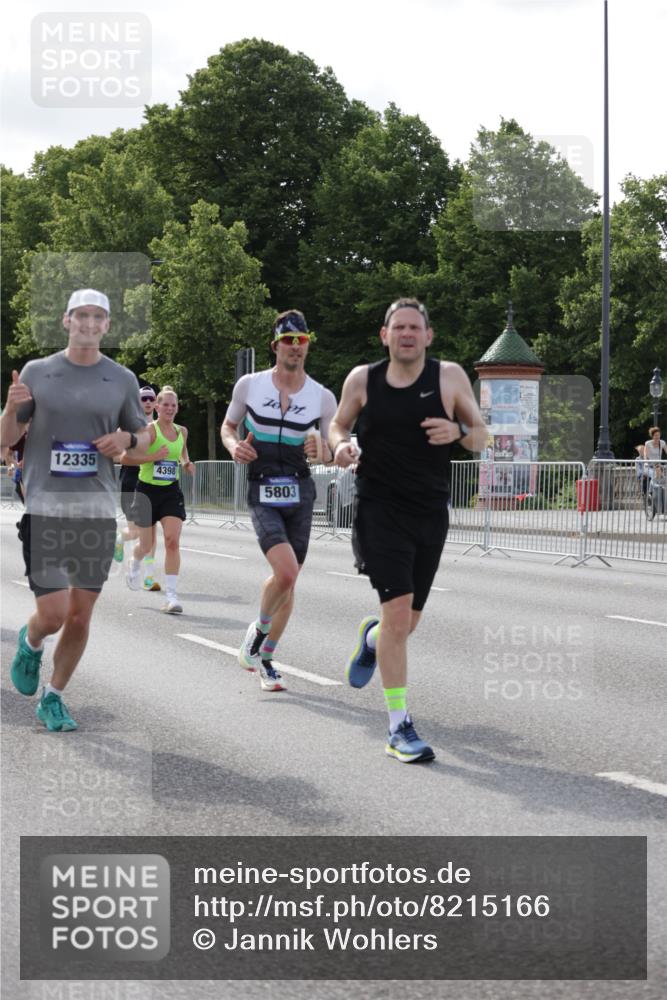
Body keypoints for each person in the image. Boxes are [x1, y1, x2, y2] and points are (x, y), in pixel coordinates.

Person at [328, 297, 487, 764]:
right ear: (385, 335)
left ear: (428, 335)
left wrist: (457, 431)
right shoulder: (363, 379)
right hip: (379, 509)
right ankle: (399, 727)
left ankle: (373, 640)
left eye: (415, 327)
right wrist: (340, 446)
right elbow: (338, 423)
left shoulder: (449, 377)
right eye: (399, 327)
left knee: (406, 624)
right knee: (398, 615)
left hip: (430, 512)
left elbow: (483, 436)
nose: (407, 334)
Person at [0, 288, 148, 732]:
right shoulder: (38, 372)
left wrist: (126, 441)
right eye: (80, 315)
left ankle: (55, 696)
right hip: (45, 508)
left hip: (96, 512)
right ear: (66, 321)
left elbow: (146, 445)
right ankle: (31, 643)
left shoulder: (121, 378)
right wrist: (9, 408)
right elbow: (6, 439)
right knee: (54, 614)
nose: (88, 323)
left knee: (81, 615)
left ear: (106, 325)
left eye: (97, 316)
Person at [221, 309, 337, 692]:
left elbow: (332, 449)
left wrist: (322, 448)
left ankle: (266, 657)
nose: (296, 347)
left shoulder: (321, 396)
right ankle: (258, 631)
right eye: (289, 341)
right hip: (263, 486)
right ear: (275, 346)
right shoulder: (249, 385)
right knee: (285, 572)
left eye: (302, 341)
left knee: (288, 583)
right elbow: (228, 426)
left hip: (301, 490)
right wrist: (234, 446)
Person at [125, 385, 194, 613]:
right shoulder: (149, 431)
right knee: (145, 545)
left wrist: (185, 463)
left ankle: (172, 596)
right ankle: (134, 564)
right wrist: (153, 456)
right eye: (165, 404)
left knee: (172, 541)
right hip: (146, 491)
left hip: (170, 492)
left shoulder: (181, 431)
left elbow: (182, 453)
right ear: (157, 406)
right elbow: (128, 458)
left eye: (173, 405)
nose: (169, 409)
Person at [114, 385, 166, 591]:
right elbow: (115, 454)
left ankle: (149, 577)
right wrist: (138, 457)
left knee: (152, 533)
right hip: (131, 478)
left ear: (156, 402)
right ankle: (119, 538)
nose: (147, 402)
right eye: (143, 399)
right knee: (136, 532)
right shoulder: (127, 426)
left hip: (151, 481)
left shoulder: (161, 426)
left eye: (150, 398)